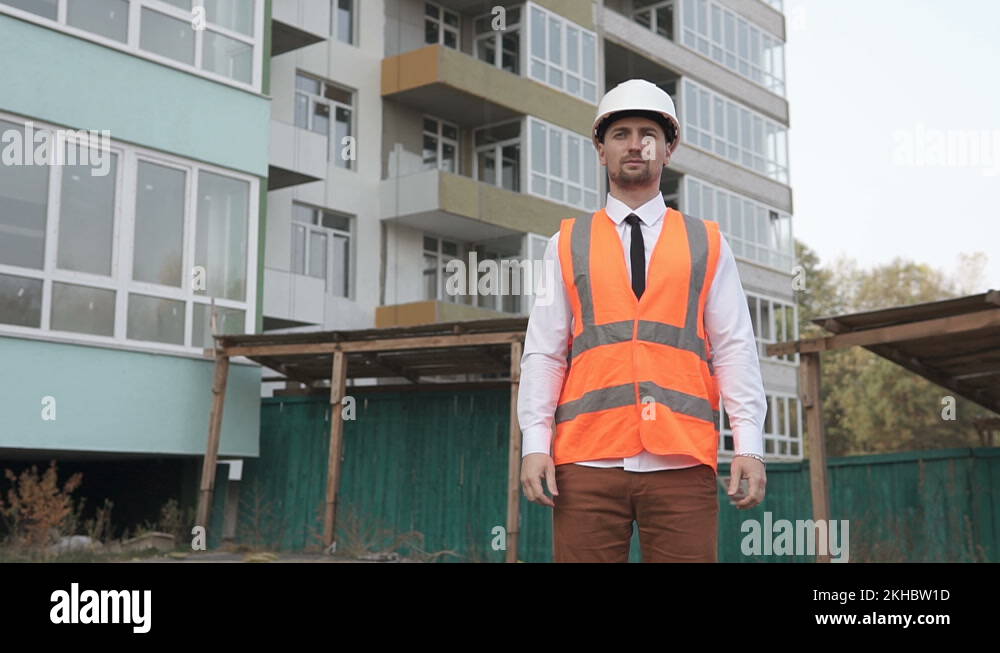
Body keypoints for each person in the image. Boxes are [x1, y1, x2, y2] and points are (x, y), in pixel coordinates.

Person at [518, 79, 768, 562]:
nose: (635, 144)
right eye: (621, 134)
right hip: (587, 462)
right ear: (600, 149)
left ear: (668, 149)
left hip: (681, 460)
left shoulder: (708, 243)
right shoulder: (565, 243)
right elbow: (545, 354)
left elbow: (735, 349)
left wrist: (750, 446)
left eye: (648, 134)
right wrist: (535, 442)